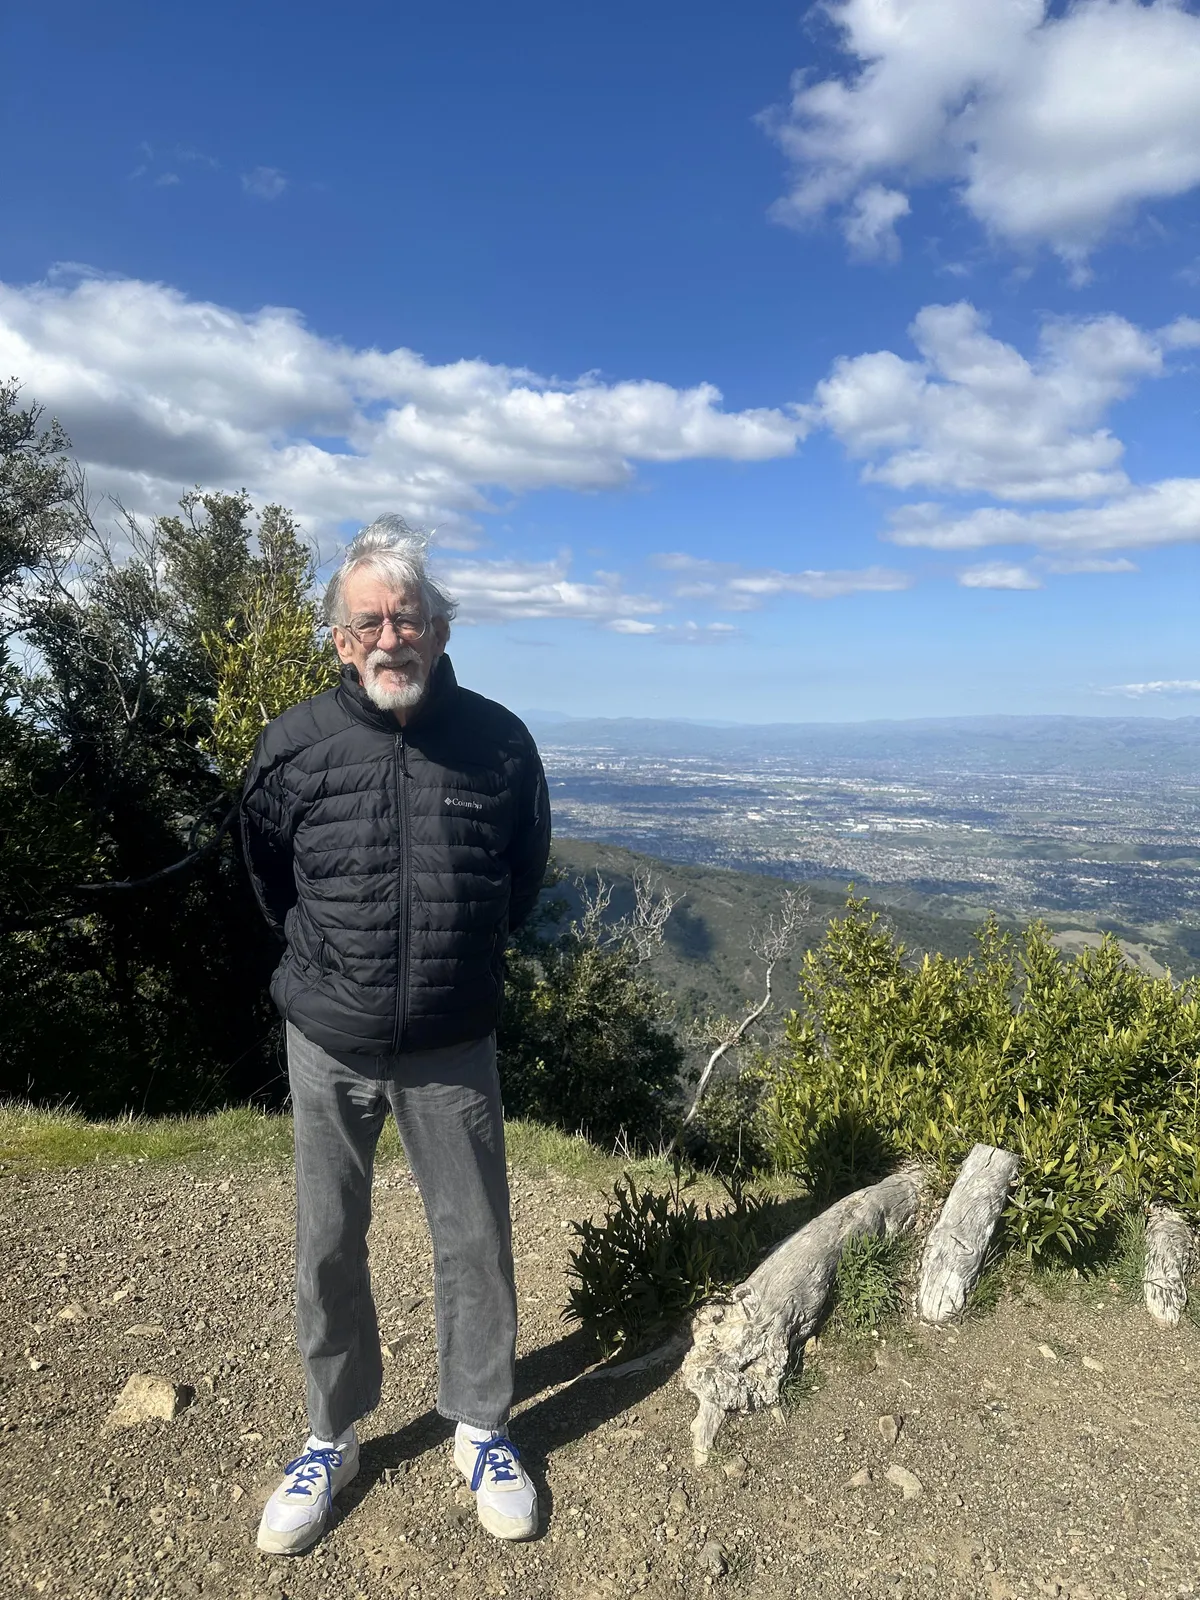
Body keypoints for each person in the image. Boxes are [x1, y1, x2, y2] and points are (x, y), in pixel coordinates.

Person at [240, 516, 551, 1556]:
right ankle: (332, 1434)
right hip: (331, 1037)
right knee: (327, 1241)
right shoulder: (294, 745)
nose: (391, 636)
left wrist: (456, 965)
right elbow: (266, 876)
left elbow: (522, 875)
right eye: (369, 620)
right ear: (339, 639)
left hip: (454, 1040)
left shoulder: (500, 741)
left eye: (408, 617)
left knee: (474, 1242)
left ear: (440, 628)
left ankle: (480, 1422)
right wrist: (331, 972)